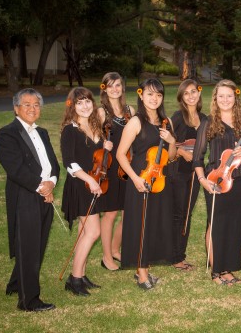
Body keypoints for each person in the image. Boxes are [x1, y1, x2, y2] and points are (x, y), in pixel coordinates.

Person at [0, 88, 60, 311]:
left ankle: (16, 283)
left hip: (45, 193)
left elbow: (53, 163)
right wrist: (42, 187)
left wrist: (51, 181)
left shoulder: (42, 133)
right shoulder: (7, 134)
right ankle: (29, 300)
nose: (32, 109)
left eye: (36, 105)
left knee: (37, 243)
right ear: (16, 108)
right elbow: (16, 169)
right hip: (25, 195)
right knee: (29, 246)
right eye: (27, 104)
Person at [193, 79, 241, 285]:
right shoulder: (208, 122)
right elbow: (197, 157)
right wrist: (203, 180)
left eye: (229, 95)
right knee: (216, 223)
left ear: (235, 98)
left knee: (233, 225)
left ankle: (228, 269)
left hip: (240, 180)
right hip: (215, 180)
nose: (225, 99)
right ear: (215, 98)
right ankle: (215, 271)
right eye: (221, 96)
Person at [116, 78, 176, 290]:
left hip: (159, 180)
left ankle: (144, 267)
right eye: (150, 94)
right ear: (141, 95)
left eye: (159, 95)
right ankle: (142, 275)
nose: (154, 99)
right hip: (140, 178)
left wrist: (171, 141)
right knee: (140, 225)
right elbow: (121, 154)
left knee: (152, 224)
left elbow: (172, 156)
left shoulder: (166, 121)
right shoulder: (135, 121)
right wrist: (135, 179)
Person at [61, 87, 112, 296]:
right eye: (79, 103)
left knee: (85, 232)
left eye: (88, 101)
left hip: (93, 183)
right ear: (72, 106)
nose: (85, 106)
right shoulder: (70, 130)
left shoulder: (95, 126)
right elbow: (69, 163)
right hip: (81, 185)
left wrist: (106, 146)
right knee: (93, 232)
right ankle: (74, 279)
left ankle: (80, 275)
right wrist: (90, 181)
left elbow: (97, 156)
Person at [97, 72, 136, 271]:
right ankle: (106, 257)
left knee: (127, 212)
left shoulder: (130, 110)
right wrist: (102, 143)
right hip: (111, 167)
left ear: (122, 87)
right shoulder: (101, 112)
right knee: (111, 214)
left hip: (128, 165)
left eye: (118, 85)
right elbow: (92, 139)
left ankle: (114, 249)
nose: (114, 89)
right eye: (110, 85)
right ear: (104, 88)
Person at [167, 79, 206, 272]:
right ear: (182, 97)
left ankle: (179, 254)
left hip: (195, 173)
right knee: (178, 215)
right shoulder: (177, 117)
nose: (191, 96)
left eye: (193, 91)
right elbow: (168, 143)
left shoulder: (205, 119)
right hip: (178, 173)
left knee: (187, 214)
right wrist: (182, 152)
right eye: (186, 93)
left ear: (198, 93)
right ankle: (175, 258)